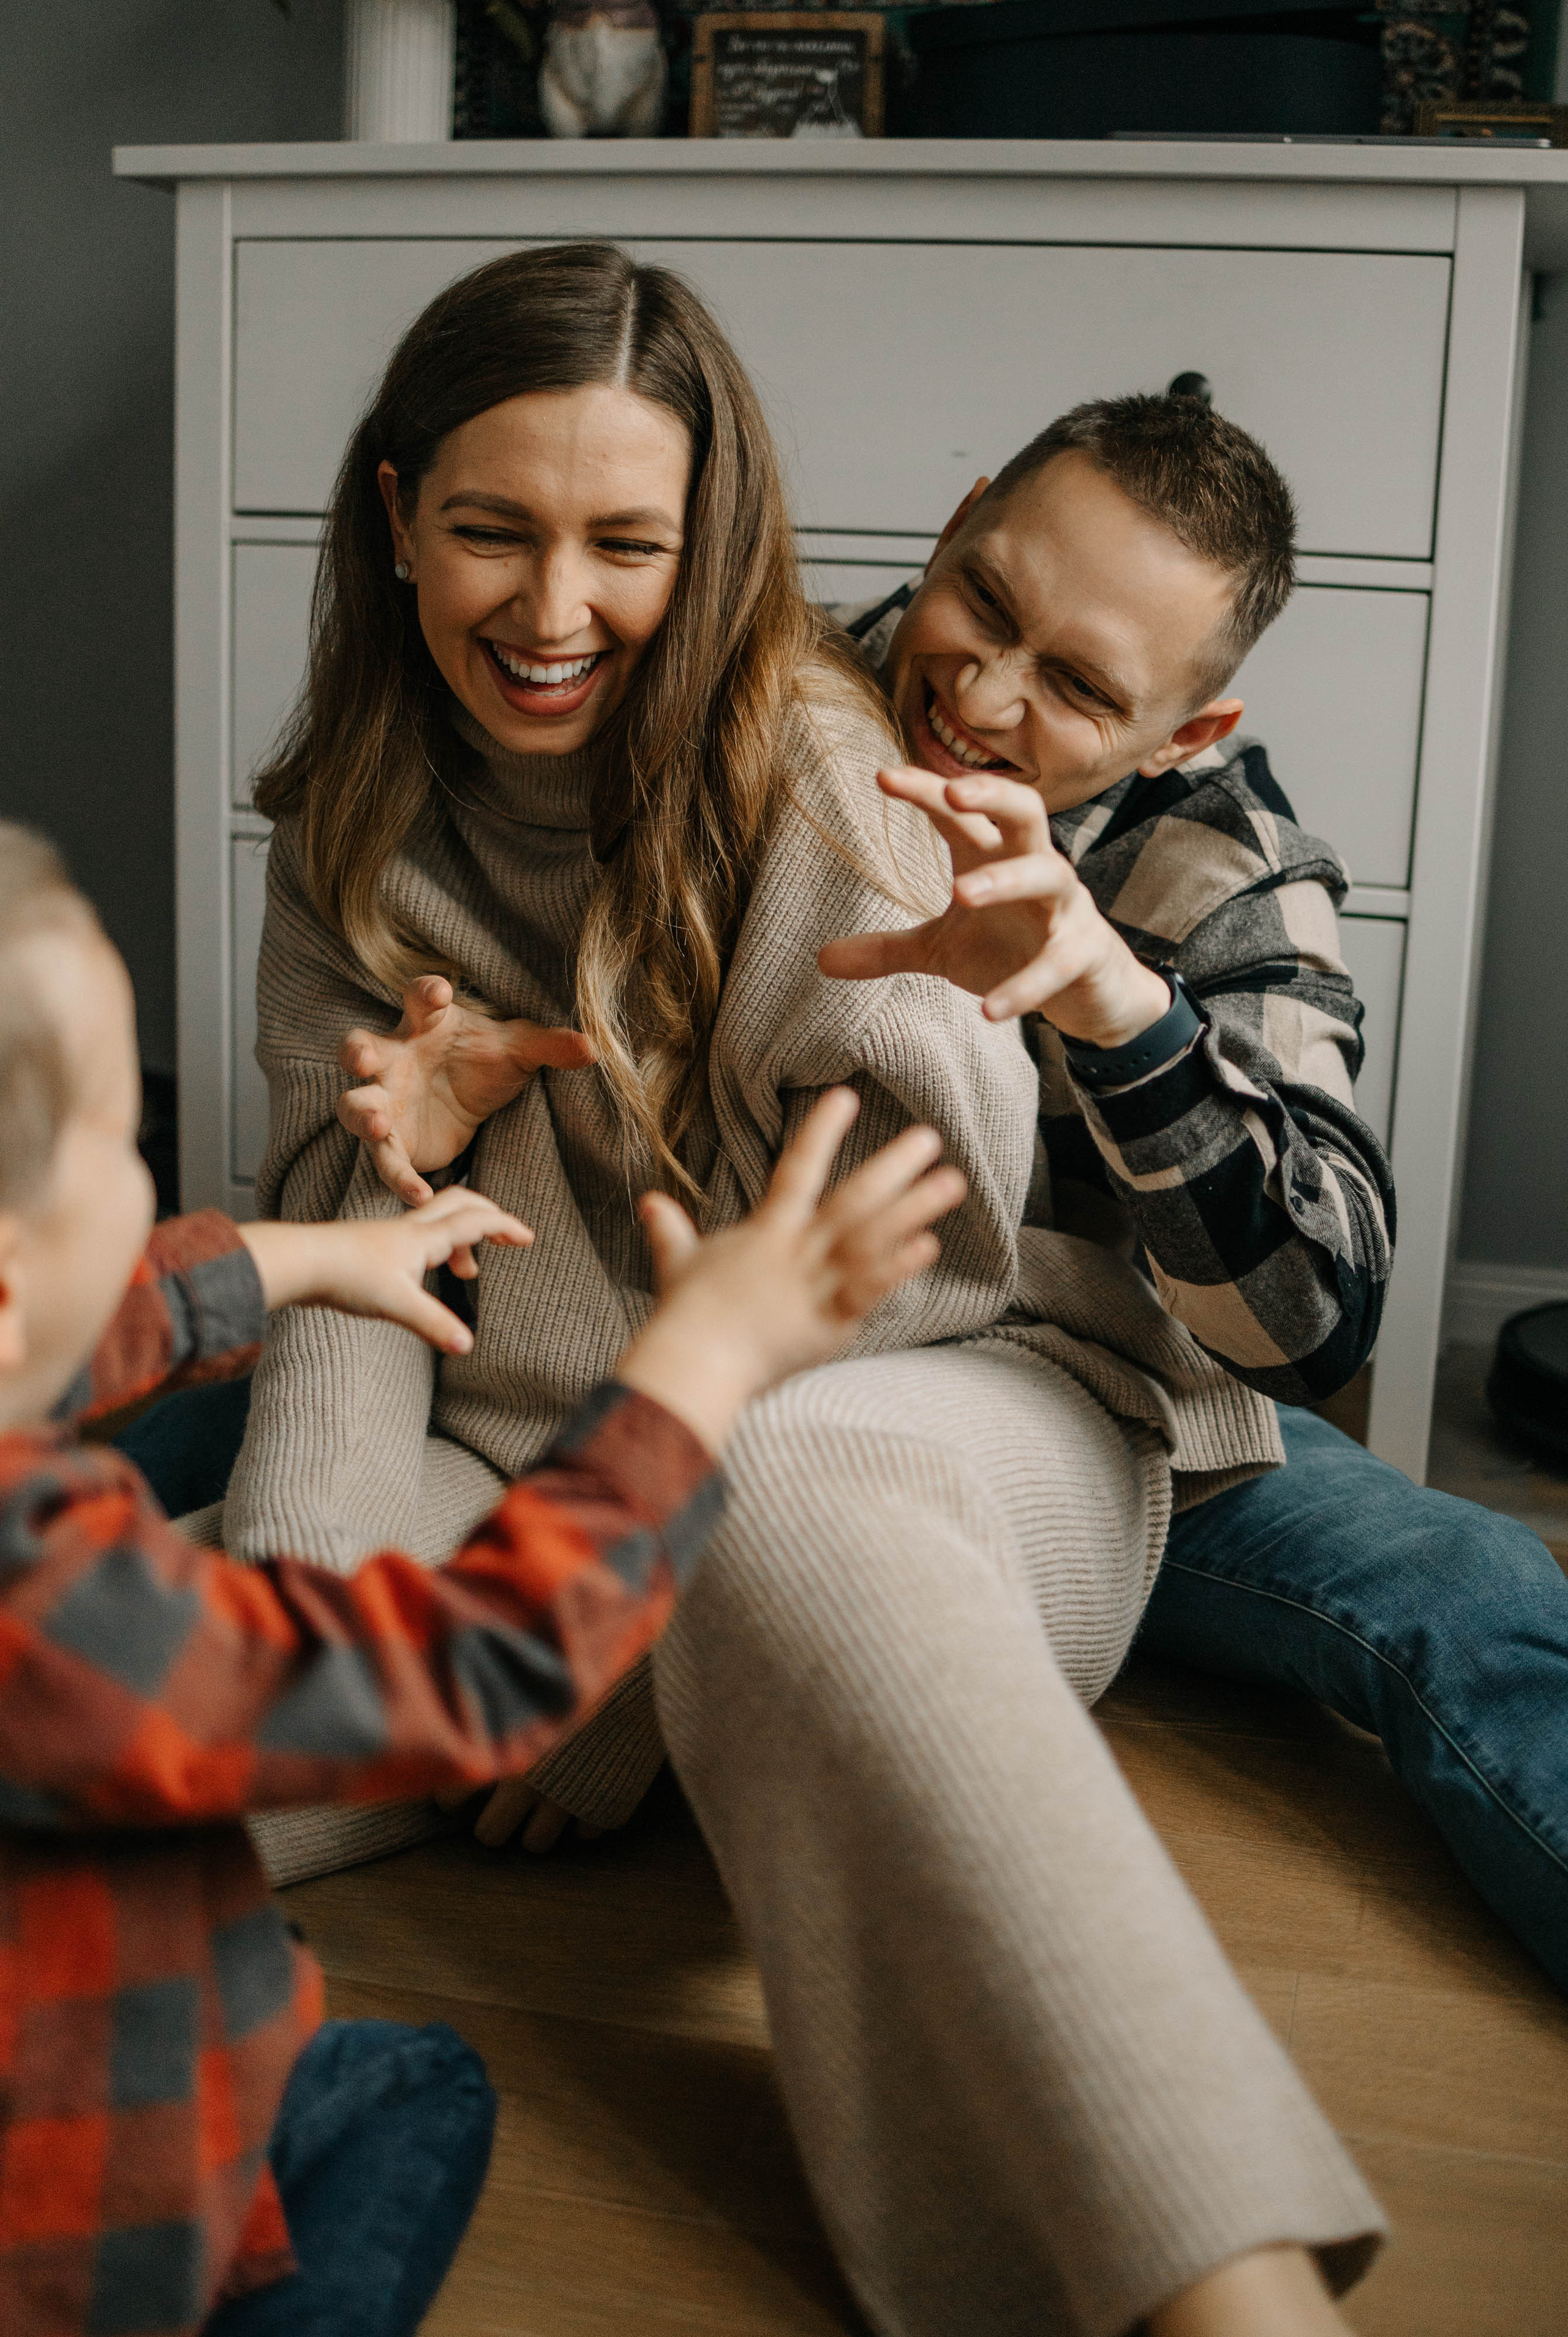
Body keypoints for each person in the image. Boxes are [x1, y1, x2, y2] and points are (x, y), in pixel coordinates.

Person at [198, 242, 1382, 2336]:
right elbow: (347, 1254)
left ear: (1183, 722)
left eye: (625, 545)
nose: (989, 695)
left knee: (1413, 1605)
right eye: (489, 527)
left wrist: (604, 1655)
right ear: (395, 518)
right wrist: (303, 1610)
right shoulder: (360, 812)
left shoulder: (903, 790)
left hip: (986, 1387)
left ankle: (1237, 2297)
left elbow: (1162, 1296)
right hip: (541, 1438)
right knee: (126, 1673)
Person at [0, 820, 963, 2337]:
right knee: (420, 2084)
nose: (145, 1185)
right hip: (84, 2208)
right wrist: (689, 1376)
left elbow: (81, 1315)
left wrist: (300, 1261)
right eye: (125, 1152)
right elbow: (474, 1667)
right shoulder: (66, 1618)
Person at [813, 393, 1568, 2005]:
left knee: (1471, 1586)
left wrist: (1117, 1010)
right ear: (954, 523)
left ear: (1182, 736)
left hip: (1101, 1398)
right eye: (984, 602)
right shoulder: (772, 688)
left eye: (1079, 687)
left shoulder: (1228, 867)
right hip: (744, 1352)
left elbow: (1309, 1324)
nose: (984, 692)